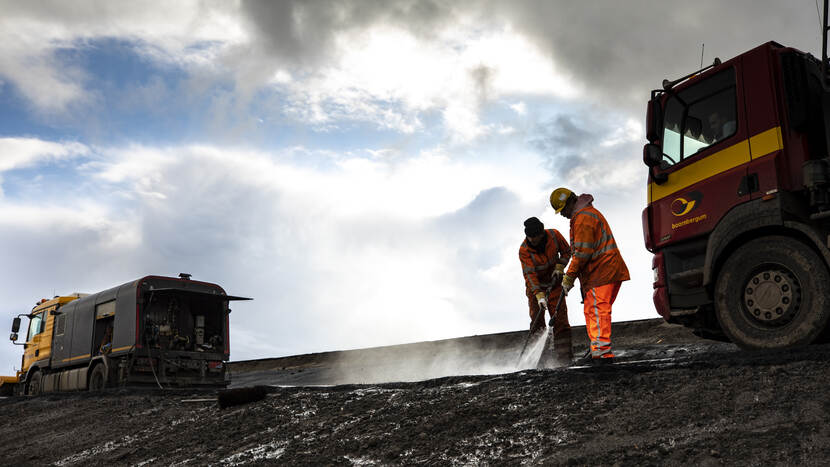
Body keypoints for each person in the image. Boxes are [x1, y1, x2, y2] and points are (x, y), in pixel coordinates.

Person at [550, 188, 629, 364]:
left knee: (596, 310)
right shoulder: (585, 214)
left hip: (601, 272)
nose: (562, 215)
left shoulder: (583, 218)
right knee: (595, 310)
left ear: (570, 203)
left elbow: (582, 253)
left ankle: (601, 354)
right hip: (605, 271)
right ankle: (597, 349)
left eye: (562, 210)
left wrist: (569, 276)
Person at [518, 216, 573, 365]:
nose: (533, 240)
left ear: (542, 233)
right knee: (537, 323)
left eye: (535, 237)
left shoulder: (554, 235)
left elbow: (567, 251)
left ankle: (564, 360)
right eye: (530, 237)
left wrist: (560, 266)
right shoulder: (524, 250)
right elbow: (529, 274)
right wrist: (539, 295)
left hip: (554, 285)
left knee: (560, 320)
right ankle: (539, 361)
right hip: (536, 289)